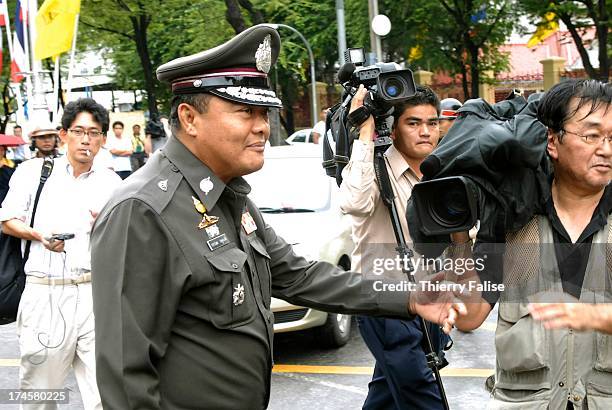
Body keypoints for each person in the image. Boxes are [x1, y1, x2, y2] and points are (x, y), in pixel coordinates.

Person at [89, 24, 465, 409]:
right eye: (244, 112)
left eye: (264, 113)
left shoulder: (230, 198)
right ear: (189, 118)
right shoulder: (143, 211)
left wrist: (410, 297)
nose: (262, 127)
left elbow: (300, 276)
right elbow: (125, 375)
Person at [448, 79, 612, 409]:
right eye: (592, 135)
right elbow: (468, 317)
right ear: (552, 141)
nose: (606, 149)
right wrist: (460, 237)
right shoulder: (512, 218)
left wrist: (597, 317)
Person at [0, 98, 122, 410]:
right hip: (46, 293)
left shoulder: (112, 182)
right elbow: (7, 220)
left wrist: (105, 227)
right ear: (63, 134)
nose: (86, 139)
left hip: (95, 294)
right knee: (41, 393)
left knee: (106, 393)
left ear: (103, 139)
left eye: (94, 133)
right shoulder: (32, 173)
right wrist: (39, 235)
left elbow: (124, 236)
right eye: (79, 131)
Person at [339, 85, 449, 410]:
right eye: (413, 123)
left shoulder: (441, 173)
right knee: (424, 397)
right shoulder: (374, 170)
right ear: (394, 127)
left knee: (386, 396)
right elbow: (353, 203)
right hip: (386, 307)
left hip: (431, 304)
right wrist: (365, 131)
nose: (426, 131)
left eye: (432, 122)